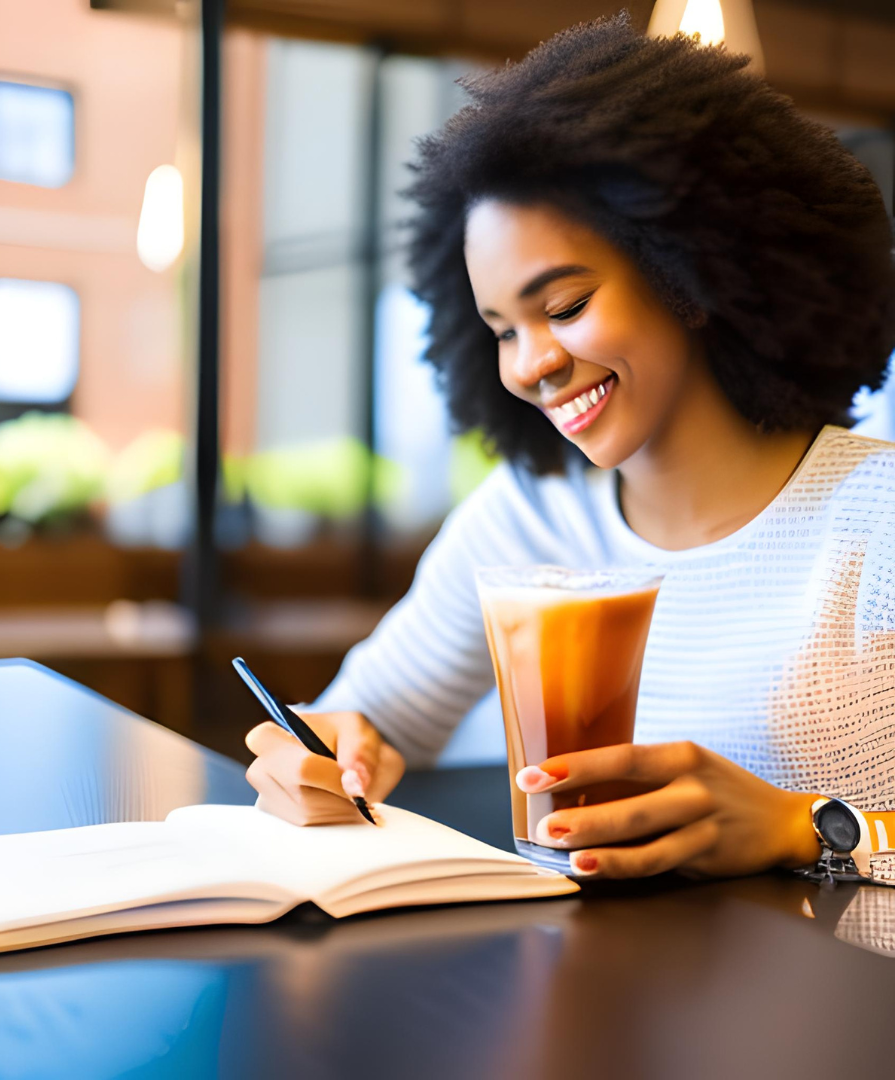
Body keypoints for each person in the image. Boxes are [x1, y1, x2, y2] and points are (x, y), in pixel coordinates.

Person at [245, 13, 895, 882]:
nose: (531, 366)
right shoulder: (531, 514)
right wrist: (322, 750)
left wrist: (802, 826)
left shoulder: (877, 522)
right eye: (501, 331)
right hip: (602, 1000)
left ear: (691, 270)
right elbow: (368, 718)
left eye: (563, 308)